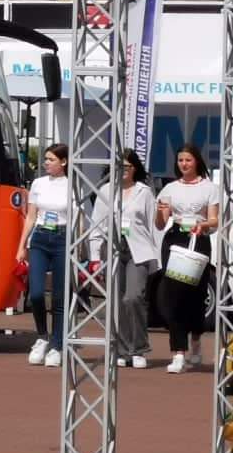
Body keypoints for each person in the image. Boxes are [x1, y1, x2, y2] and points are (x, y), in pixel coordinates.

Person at [86, 150, 160, 369]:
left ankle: (139, 348)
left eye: (127, 166)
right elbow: (97, 225)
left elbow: (154, 226)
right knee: (116, 301)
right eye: (119, 167)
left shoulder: (144, 192)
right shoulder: (106, 191)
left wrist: (157, 258)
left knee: (133, 297)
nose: (123, 170)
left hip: (138, 249)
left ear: (135, 168)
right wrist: (95, 257)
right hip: (113, 248)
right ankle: (122, 349)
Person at [155, 143, 220, 373]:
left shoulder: (209, 188)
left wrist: (203, 225)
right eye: (180, 160)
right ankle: (178, 353)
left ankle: (196, 339)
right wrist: (160, 211)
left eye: (188, 160)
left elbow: (215, 220)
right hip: (175, 240)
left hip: (199, 239)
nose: (184, 164)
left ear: (197, 161)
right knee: (173, 296)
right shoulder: (170, 188)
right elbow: (161, 223)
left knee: (196, 294)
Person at [18, 144, 71, 368]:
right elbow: (31, 216)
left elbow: (77, 218)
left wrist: (78, 248)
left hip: (62, 238)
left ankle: (57, 345)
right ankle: (42, 336)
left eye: (51, 159)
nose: (46, 163)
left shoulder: (72, 185)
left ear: (64, 162)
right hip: (40, 238)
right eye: (46, 159)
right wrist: (22, 245)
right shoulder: (38, 183)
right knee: (37, 293)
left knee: (59, 296)